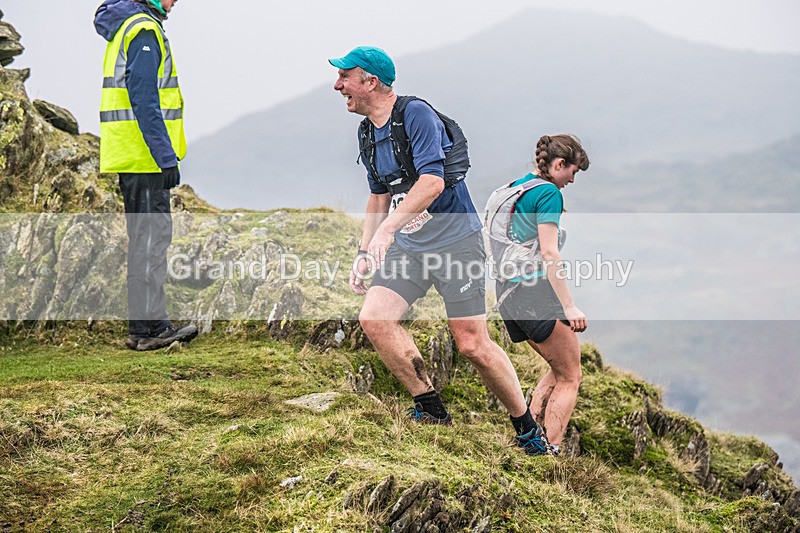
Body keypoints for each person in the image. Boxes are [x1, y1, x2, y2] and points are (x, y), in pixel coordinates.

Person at [330, 46, 551, 455]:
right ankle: (430, 407)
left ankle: (527, 429)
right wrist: (366, 251)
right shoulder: (367, 132)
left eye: (345, 77)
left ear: (371, 82)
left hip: (456, 243)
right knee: (375, 319)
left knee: (472, 345)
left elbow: (432, 182)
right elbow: (378, 196)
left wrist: (386, 235)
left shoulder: (416, 115)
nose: (338, 85)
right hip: (411, 247)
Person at [94, 0, 197, 351]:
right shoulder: (144, 29)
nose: (176, 0)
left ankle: (148, 326)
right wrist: (165, 156)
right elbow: (144, 98)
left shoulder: (128, 26)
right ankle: (149, 331)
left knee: (145, 239)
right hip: (144, 157)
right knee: (151, 240)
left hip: (133, 155)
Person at [495, 134, 590, 456]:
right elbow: (550, 255)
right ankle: (549, 449)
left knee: (558, 368)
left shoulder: (517, 186)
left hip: (508, 294)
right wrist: (570, 306)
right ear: (558, 164)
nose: (573, 181)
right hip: (535, 291)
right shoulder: (548, 193)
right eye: (573, 172)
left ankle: (531, 440)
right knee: (571, 376)